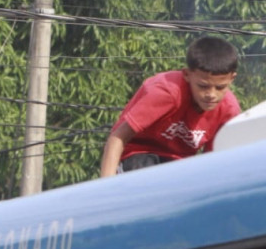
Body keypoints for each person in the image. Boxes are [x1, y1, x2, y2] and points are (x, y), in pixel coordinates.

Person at [99, 36, 241, 177]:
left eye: (220, 87)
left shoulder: (228, 110)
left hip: (179, 164)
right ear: (186, 74)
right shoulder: (167, 93)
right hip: (138, 154)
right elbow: (117, 137)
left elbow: (212, 162)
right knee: (145, 172)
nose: (211, 94)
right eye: (203, 86)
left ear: (232, 79)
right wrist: (106, 189)